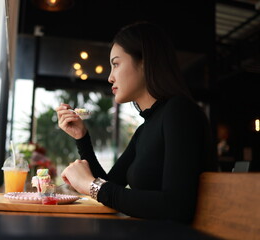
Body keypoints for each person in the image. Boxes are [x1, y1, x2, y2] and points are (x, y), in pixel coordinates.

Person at [55, 22, 216, 223]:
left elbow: (176, 207)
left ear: (145, 62)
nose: (110, 77)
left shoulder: (180, 112)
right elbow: (110, 185)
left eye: (116, 64)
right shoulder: (145, 129)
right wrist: (82, 137)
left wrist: (91, 185)